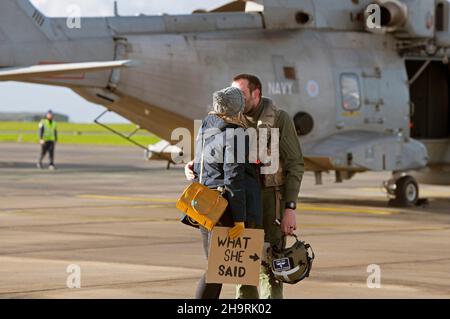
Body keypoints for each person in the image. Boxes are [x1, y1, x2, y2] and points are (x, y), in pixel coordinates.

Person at [185, 74, 305, 299]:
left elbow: (295, 164)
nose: (237, 99)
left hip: (270, 202)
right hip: (239, 202)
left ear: (256, 94)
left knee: (271, 267)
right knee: (242, 267)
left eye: (241, 94)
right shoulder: (229, 120)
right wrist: (194, 166)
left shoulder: (279, 119)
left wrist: (290, 208)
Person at [193, 86, 262, 299]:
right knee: (216, 270)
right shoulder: (236, 133)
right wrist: (239, 218)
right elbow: (233, 177)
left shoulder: (206, 125)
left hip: (203, 202)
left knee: (214, 268)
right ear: (237, 108)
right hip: (223, 209)